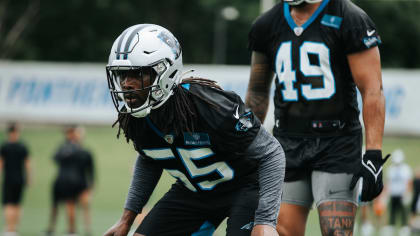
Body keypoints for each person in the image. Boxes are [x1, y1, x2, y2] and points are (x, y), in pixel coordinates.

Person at [103, 24, 285, 236]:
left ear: (165, 72)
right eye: (122, 75)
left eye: (137, 74)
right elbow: (150, 156)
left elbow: (272, 154)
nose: (126, 84)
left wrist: (266, 221)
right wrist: (127, 219)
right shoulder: (136, 117)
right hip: (194, 191)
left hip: (244, 187)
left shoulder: (210, 106)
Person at [246, 0, 389, 235]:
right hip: (287, 141)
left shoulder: (349, 18)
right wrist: (246, 144)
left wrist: (373, 153)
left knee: (336, 231)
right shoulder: (267, 24)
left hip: (337, 141)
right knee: (278, 230)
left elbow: (372, 89)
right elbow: (257, 91)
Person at [46, 125, 95, 236]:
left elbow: (91, 171)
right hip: (67, 181)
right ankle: (63, 229)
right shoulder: (67, 148)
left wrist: (91, 186)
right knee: (65, 206)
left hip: (77, 182)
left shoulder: (83, 152)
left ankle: (80, 230)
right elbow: (56, 158)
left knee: (78, 205)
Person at [0, 123, 32, 236]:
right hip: (19, 179)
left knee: (8, 204)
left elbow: (1, 164)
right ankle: (14, 229)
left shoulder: (4, 146)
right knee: (17, 204)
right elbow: (28, 164)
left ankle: (9, 229)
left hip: (8, 179)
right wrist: (29, 178)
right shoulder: (22, 146)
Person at [382, 149, 412, 236]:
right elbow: (388, 183)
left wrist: (407, 193)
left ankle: (404, 227)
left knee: (403, 212)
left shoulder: (406, 169)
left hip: (402, 194)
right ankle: (391, 226)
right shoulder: (390, 169)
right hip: (393, 194)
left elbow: (408, 182)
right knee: (392, 211)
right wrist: (385, 194)